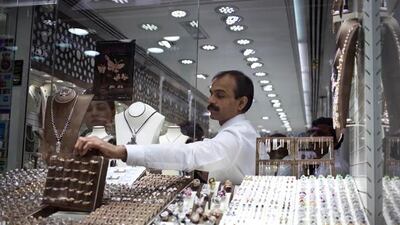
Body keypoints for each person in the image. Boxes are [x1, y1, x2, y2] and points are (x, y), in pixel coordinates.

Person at [74, 70, 259, 184]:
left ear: (241, 103)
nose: (210, 100)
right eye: (211, 94)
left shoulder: (238, 135)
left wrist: (121, 151)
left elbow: (190, 154)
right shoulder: (238, 131)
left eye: (220, 95)